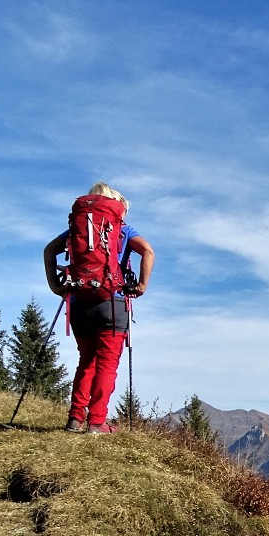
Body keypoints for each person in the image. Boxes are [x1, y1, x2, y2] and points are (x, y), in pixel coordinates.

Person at [43, 182, 155, 434]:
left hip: (79, 302)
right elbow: (147, 251)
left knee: (86, 361)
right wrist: (142, 285)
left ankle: (74, 419)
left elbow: (49, 250)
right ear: (117, 206)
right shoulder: (122, 229)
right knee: (106, 364)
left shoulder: (75, 230)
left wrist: (55, 286)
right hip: (112, 303)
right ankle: (96, 422)